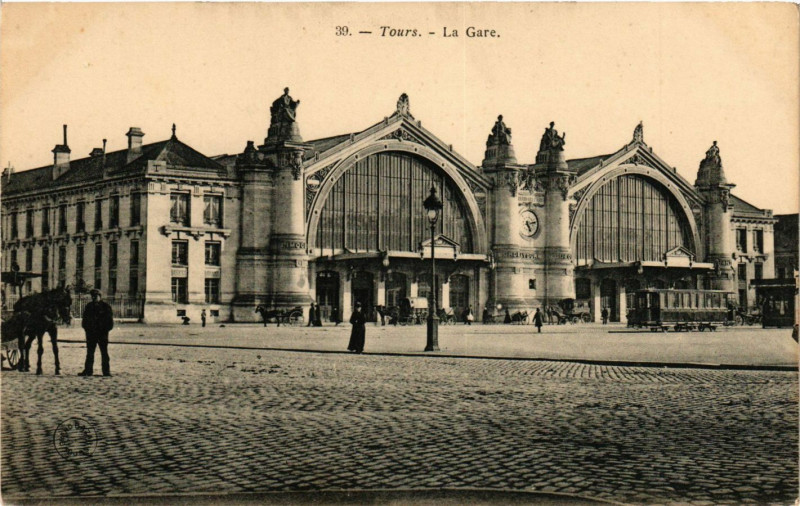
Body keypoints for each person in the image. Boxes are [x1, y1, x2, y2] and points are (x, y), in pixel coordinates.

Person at [78, 289, 114, 377]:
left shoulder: (106, 307)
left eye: (96, 296)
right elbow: (84, 321)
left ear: (100, 296)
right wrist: (87, 330)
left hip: (102, 334)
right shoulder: (89, 306)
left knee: (104, 353)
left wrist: (105, 330)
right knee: (90, 353)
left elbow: (110, 322)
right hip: (91, 334)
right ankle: (88, 371)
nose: (94, 298)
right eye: (93, 296)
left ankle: (106, 371)